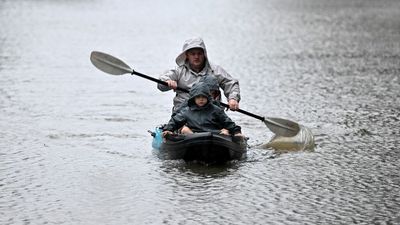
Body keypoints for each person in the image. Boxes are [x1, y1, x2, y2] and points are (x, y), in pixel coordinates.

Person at [158, 37, 240, 112]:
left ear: (204, 54)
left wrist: (233, 99)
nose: (196, 57)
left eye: (199, 54)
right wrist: (168, 82)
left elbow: (230, 83)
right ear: (187, 55)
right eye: (193, 54)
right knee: (183, 126)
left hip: (211, 113)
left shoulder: (215, 70)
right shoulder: (178, 71)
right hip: (184, 112)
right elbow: (161, 85)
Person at [162, 83, 242, 137]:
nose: (201, 100)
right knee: (185, 130)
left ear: (208, 98)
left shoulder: (216, 110)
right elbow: (175, 121)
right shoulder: (187, 111)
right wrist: (168, 130)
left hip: (214, 135)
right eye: (198, 97)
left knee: (225, 132)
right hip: (194, 135)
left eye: (204, 97)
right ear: (193, 98)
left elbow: (227, 122)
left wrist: (237, 132)